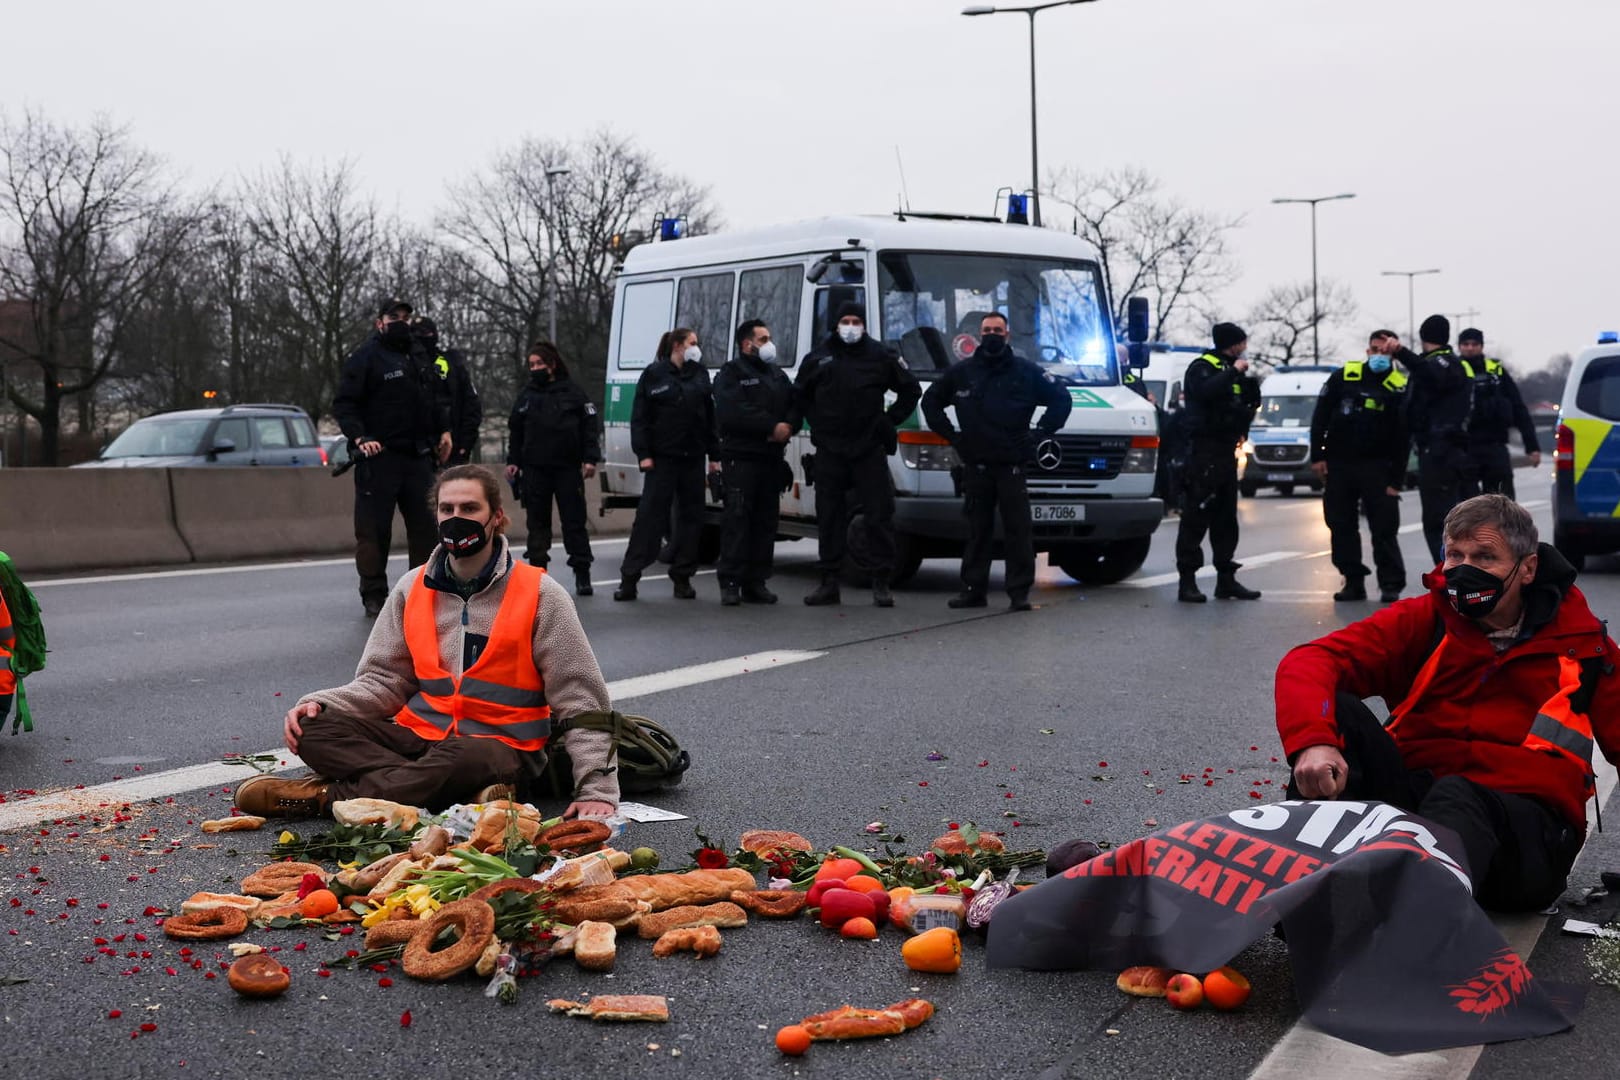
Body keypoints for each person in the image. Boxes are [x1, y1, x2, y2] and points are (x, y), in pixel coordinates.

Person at [1276, 494, 1620, 912]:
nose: (1464, 570)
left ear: (1526, 569)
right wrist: (1314, 742)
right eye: (1454, 555)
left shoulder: (1584, 647)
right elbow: (1311, 660)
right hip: (1424, 804)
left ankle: (1411, 926)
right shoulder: (1428, 619)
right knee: (1340, 714)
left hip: (1527, 836)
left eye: (1484, 557)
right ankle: (1306, 903)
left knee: (1458, 795)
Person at [234, 465, 619, 819]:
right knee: (315, 731)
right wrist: (319, 704)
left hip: (497, 746)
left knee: (461, 759)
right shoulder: (411, 587)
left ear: (496, 518)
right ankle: (457, 793)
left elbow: (581, 699)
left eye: (469, 508)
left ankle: (325, 798)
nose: (456, 518)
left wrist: (597, 790)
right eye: (447, 508)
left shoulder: (540, 593)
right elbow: (383, 681)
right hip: (418, 738)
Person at [921, 311, 1071, 611]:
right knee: (977, 531)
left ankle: (1019, 593)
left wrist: (1039, 433)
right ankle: (973, 590)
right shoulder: (962, 372)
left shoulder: (1026, 372)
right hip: (976, 465)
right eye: (987, 330)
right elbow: (931, 402)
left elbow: (1061, 399)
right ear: (979, 335)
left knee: (1018, 531)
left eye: (997, 330)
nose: (992, 335)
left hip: (1012, 466)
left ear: (1007, 335)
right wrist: (954, 437)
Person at [789, 301, 921, 607]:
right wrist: (815, 421)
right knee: (829, 517)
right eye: (845, 320)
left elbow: (911, 389)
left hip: (868, 449)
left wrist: (888, 422)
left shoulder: (881, 356)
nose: (850, 326)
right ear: (836, 324)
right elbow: (799, 395)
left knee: (878, 515)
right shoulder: (819, 357)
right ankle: (829, 582)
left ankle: (881, 582)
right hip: (830, 450)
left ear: (863, 325)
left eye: (855, 321)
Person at [334, 299, 453, 617]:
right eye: (394, 317)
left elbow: (434, 398)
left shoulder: (419, 356)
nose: (401, 322)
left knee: (427, 530)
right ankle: (374, 593)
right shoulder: (365, 358)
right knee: (373, 532)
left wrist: (444, 431)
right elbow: (345, 404)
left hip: (418, 458)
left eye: (406, 317)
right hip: (380, 458)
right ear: (379, 322)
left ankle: (423, 591)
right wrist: (361, 437)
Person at [615, 328, 719, 601]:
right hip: (662, 459)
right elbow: (640, 418)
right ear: (677, 346)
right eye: (692, 343)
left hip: (693, 459)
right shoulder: (654, 374)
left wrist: (715, 456)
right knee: (649, 518)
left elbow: (709, 418)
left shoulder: (699, 374)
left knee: (691, 519)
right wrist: (644, 454)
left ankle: (682, 577)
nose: (696, 348)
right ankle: (630, 577)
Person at [1310, 330, 1409, 603]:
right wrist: (1317, 456)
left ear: (1393, 353)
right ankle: (1352, 580)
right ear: (1367, 351)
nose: (1379, 356)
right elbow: (1320, 417)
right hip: (1340, 465)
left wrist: (1396, 480)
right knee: (1340, 525)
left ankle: (1390, 584)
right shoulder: (1345, 376)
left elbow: (1404, 437)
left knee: (1384, 529)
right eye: (1375, 350)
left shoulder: (1399, 385)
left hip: (1379, 467)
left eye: (1385, 351)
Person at [712, 319, 798, 606]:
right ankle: (731, 581)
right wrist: (770, 426)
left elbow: (794, 405)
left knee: (765, 521)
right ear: (746, 343)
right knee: (738, 519)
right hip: (741, 457)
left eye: (768, 338)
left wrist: (788, 426)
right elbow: (732, 411)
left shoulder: (776, 375)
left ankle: (756, 581)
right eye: (763, 339)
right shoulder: (731, 373)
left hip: (771, 458)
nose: (768, 344)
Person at [1175, 322, 1262, 603]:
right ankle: (1187, 580)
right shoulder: (1203, 367)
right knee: (1196, 517)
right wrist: (1233, 372)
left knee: (1226, 519)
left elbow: (1245, 404)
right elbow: (1205, 393)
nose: (1244, 346)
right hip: (1204, 453)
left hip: (1226, 453)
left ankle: (1226, 579)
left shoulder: (1233, 371)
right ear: (1231, 342)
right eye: (1241, 341)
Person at [505, 341, 600, 597]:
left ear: (552, 365)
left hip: (568, 469)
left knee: (574, 523)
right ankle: (538, 575)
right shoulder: (526, 396)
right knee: (537, 525)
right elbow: (515, 432)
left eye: (539, 364)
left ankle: (582, 573)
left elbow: (590, 428)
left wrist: (590, 459)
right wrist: (512, 461)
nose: (535, 368)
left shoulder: (573, 393)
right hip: (535, 471)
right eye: (531, 365)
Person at [1385, 315, 1473, 565]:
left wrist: (1401, 352)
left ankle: (1450, 576)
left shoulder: (1443, 364)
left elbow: (1429, 374)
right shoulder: (1445, 364)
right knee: (1447, 519)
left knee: (1439, 522)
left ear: (1424, 337)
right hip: (1445, 452)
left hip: (1441, 453)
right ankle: (1452, 573)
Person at [1458, 327, 1541, 499]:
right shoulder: (1454, 370)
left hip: (1494, 445)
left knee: (1503, 504)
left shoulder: (1496, 371)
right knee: (1465, 507)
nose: (1470, 348)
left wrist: (1531, 446)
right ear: (1459, 347)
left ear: (1482, 346)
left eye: (1475, 344)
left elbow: (1518, 408)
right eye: (1466, 344)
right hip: (1464, 447)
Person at [412, 317, 483, 465]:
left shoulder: (450, 363)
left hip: (454, 446)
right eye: (415, 333)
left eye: (425, 333)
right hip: (418, 450)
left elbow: (472, 404)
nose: (420, 338)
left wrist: (465, 444)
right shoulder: (406, 364)